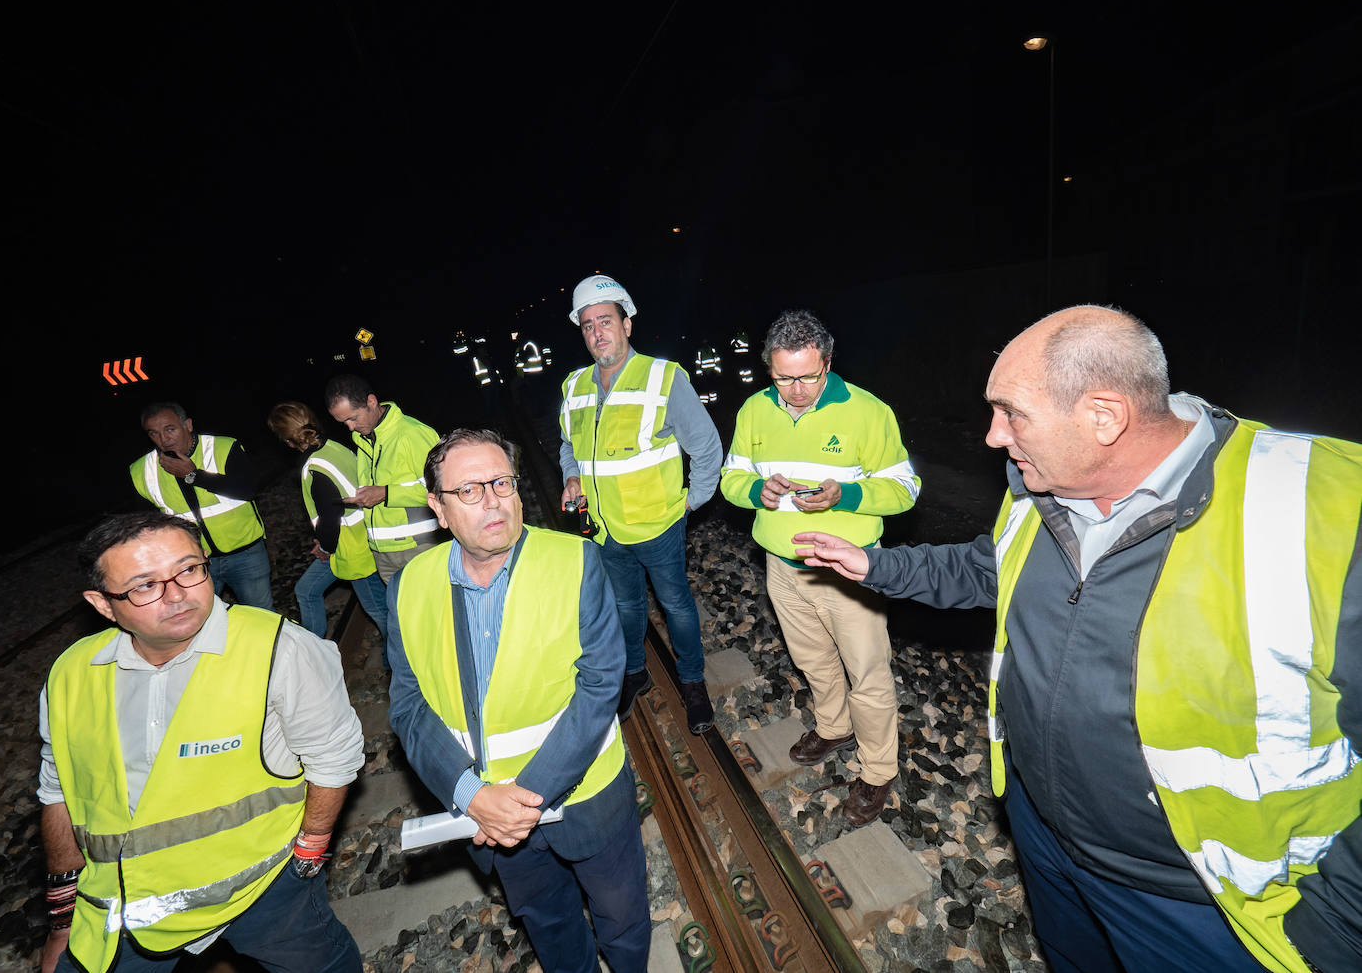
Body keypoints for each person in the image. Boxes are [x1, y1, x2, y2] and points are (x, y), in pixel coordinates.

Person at [795, 305, 1362, 973]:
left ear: (1104, 415)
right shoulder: (1046, 490)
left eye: (1011, 413)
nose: (992, 436)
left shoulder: (1321, 507)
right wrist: (877, 566)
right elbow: (991, 566)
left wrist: (1335, 925)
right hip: (1046, 838)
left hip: (1202, 901)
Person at [38, 512, 364, 973]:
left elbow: (334, 759)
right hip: (124, 907)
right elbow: (58, 793)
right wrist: (62, 919)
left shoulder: (278, 649)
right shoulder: (71, 675)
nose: (176, 595)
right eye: (145, 585)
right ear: (103, 604)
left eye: (189, 570)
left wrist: (306, 860)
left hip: (262, 890)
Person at [388, 428, 650, 973]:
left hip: (583, 798)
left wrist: (518, 801)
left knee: (621, 920)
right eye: (470, 490)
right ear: (437, 507)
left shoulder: (575, 561)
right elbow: (409, 705)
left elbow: (602, 681)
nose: (494, 500)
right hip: (486, 813)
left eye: (502, 482)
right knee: (547, 923)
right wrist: (473, 795)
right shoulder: (409, 584)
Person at [721, 309, 920, 827]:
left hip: (847, 570)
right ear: (769, 369)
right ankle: (833, 727)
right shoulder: (753, 411)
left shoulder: (867, 412)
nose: (798, 389)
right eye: (785, 377)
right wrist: (751, 490)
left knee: (867, 672)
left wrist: (846, 495)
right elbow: (732, 476)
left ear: (827, 363)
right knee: (812, 659)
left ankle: (878, 770)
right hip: (782, 565)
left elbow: (905, 489)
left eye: (809, 375)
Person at [558, 274, 723, 734]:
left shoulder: (664, 378)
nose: (597, 333)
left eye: (605, 321)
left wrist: (691, 502)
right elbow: (567, 444)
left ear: (627, 324)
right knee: (626, 608)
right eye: (588, 325)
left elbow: (707, 448)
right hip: (604, 530)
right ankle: (635, 673)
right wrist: (572, 475)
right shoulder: (574, 386)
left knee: (676, 606)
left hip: (660, 526)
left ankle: (692, 684)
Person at [128, 401, 273, 609]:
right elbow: (145, 524)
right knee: (202, 625)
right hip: (190, 563)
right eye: (154, 433)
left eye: (170, 429)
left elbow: (247, 490)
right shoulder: (142, 470)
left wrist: (193, 475)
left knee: (262, 616)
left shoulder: (222, 447)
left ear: (187, 425)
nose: (164, 439)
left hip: (245, 554)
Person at [267, 401, 389, 639]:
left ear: (287, 441)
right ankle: (317, 649)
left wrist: (324, 546)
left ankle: (396, 663)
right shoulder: (332, 446)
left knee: (380, 612)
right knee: (306, 590)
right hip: (359, 537)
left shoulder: (314, 467)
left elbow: (330, 517)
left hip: (352, 549)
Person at [324, 374, 442, 584]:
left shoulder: (412, 434)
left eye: (353, 418)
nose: (350, 427)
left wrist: (385, 493)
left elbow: (442, 492)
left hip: (419, 547)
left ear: (371, 402)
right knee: (403, 616)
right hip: (382, 552)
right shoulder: (362, 440)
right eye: (343, 423)